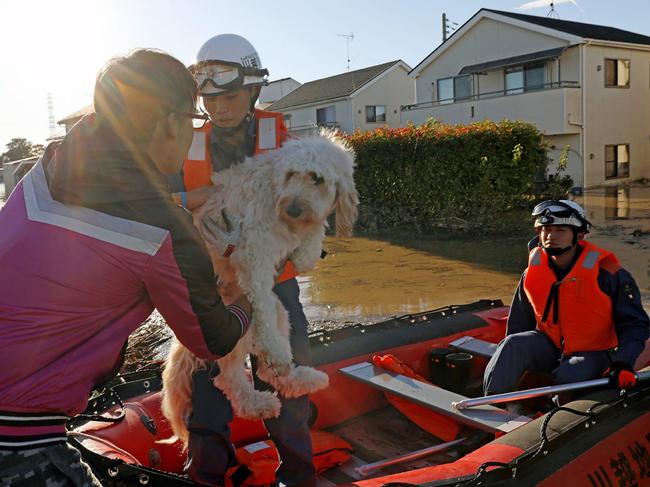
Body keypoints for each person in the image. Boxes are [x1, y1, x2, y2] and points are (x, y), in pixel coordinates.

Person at [0, 49, 251, 486]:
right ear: (169, 122)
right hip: (17, 435)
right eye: (192, 122)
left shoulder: (46, 164)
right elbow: (212, 339)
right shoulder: (165, 232)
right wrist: (249, 300)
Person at [168, 34, 317, 487]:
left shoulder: (285, 141)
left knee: (285, 386)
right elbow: (159, 202)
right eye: (210, 98)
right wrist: (199, 202)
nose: (220, 107)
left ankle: (300, 477)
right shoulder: (184, 145)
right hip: (216, 288)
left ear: (253, 90)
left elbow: (306, 207)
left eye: (230, 96)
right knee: (211, 391)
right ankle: (206, 477)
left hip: (276, 285)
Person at [483, 200, 649, 398]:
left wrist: (623, 363)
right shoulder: (532, 272)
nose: (550, 236)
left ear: (579, 235)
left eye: (560, 230)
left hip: (595, 351)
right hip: (552, 344)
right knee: (512, 345)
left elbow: (636, 324)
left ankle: (557, 415)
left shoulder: (609, 274)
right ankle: (491, 404)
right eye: (545, 229)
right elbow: (520, 321)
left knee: (571, 373)